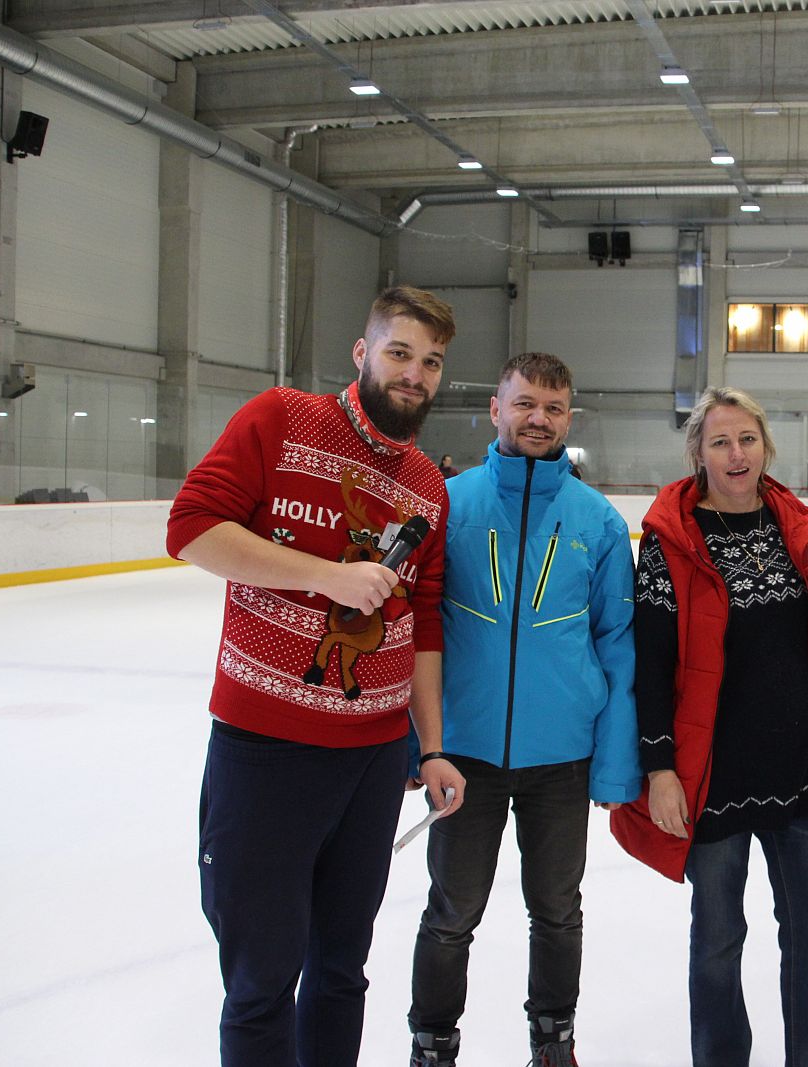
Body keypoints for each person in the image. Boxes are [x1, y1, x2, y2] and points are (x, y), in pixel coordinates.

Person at [166, 286, 466, 1067]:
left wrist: (431, 746)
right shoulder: (281, 418)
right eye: (400, 353)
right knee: (262, 979)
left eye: (432, 362)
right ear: (363, 353)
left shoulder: (427, 484)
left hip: (372, 760)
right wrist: (325, 577)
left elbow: (422, 622)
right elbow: (192, 528)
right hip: (266, 748)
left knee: (340, 970)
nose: (415, 374)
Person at [610, 387, 808, 1067]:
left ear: (765, 447)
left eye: (747, 439)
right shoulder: (670, 543)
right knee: (718, 943)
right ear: (697, 452)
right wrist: (660, 767)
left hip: (799, 766)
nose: (735, 453)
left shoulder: (789, 526)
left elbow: (797, 638)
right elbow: (651, 662)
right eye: (720, 441)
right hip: (714, 775)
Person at [408, 352, 640, 1067]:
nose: (540, 418)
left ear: (569, 418)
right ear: (496, 409)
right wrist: (419, 744)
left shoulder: (598, 521)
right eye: (525, 403)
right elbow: (415, 629)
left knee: (558, 911)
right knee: (451, 913)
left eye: (554, 407)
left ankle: (553, 1038)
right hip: (464, 753)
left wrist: (614, 762)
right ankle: (433, 1041)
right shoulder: (450, 502)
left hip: (562, 758)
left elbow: (618, 643)